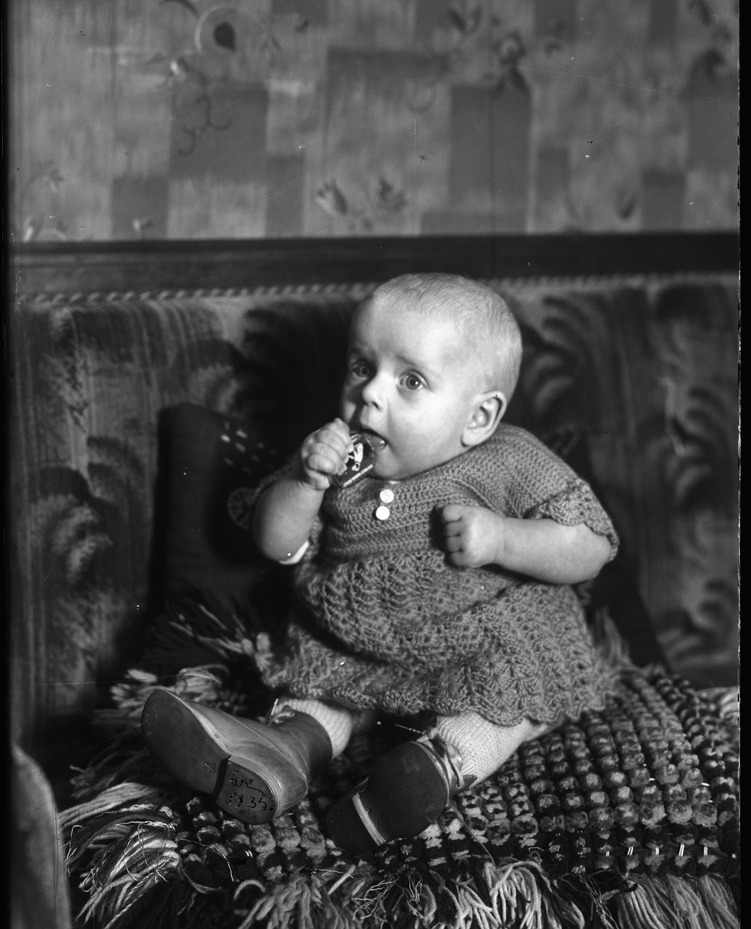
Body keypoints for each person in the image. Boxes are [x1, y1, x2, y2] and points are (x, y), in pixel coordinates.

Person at [142, 274, 619, 856]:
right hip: (358, 641)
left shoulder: (509, 460)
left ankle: (431, 770)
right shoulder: (335, 461)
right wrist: (305, 483)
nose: (370, 393)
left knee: (504, 698)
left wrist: (503, 540)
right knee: (322, 682)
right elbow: (276, 544)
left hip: (486, 638)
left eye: (410, 380)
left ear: (478, 418)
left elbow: (592, 543)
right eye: (361, 366)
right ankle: (284, 750)